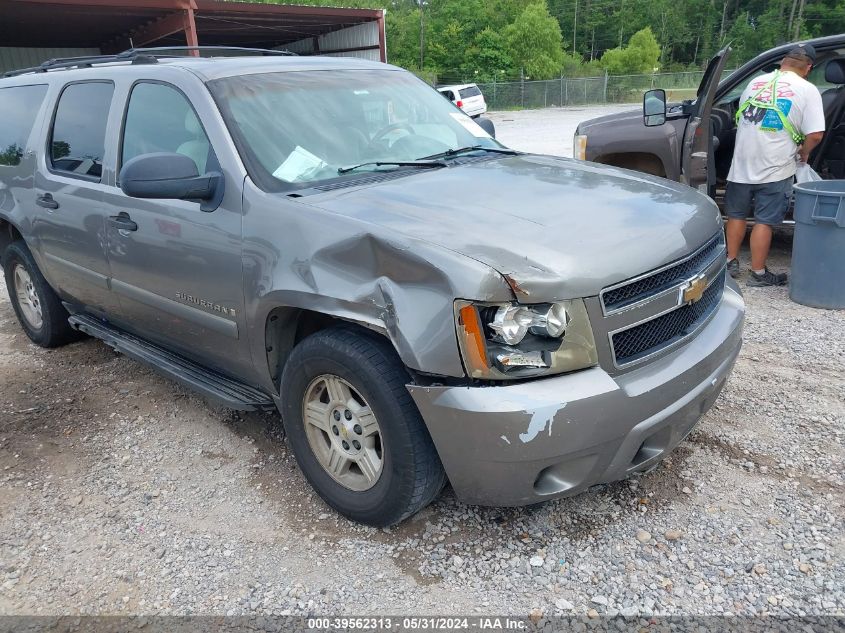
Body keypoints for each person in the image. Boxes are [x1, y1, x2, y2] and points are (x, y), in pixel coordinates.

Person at [725, 43, 825, 286]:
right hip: (775, 165)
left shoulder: (755, 83)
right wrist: (804, 153)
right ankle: (758, 274)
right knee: (764, 220)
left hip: (741, 163)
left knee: (736, 214)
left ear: (783, 62)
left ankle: (730, 263)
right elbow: (815, 135)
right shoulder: (807, 89)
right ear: (808, 67)